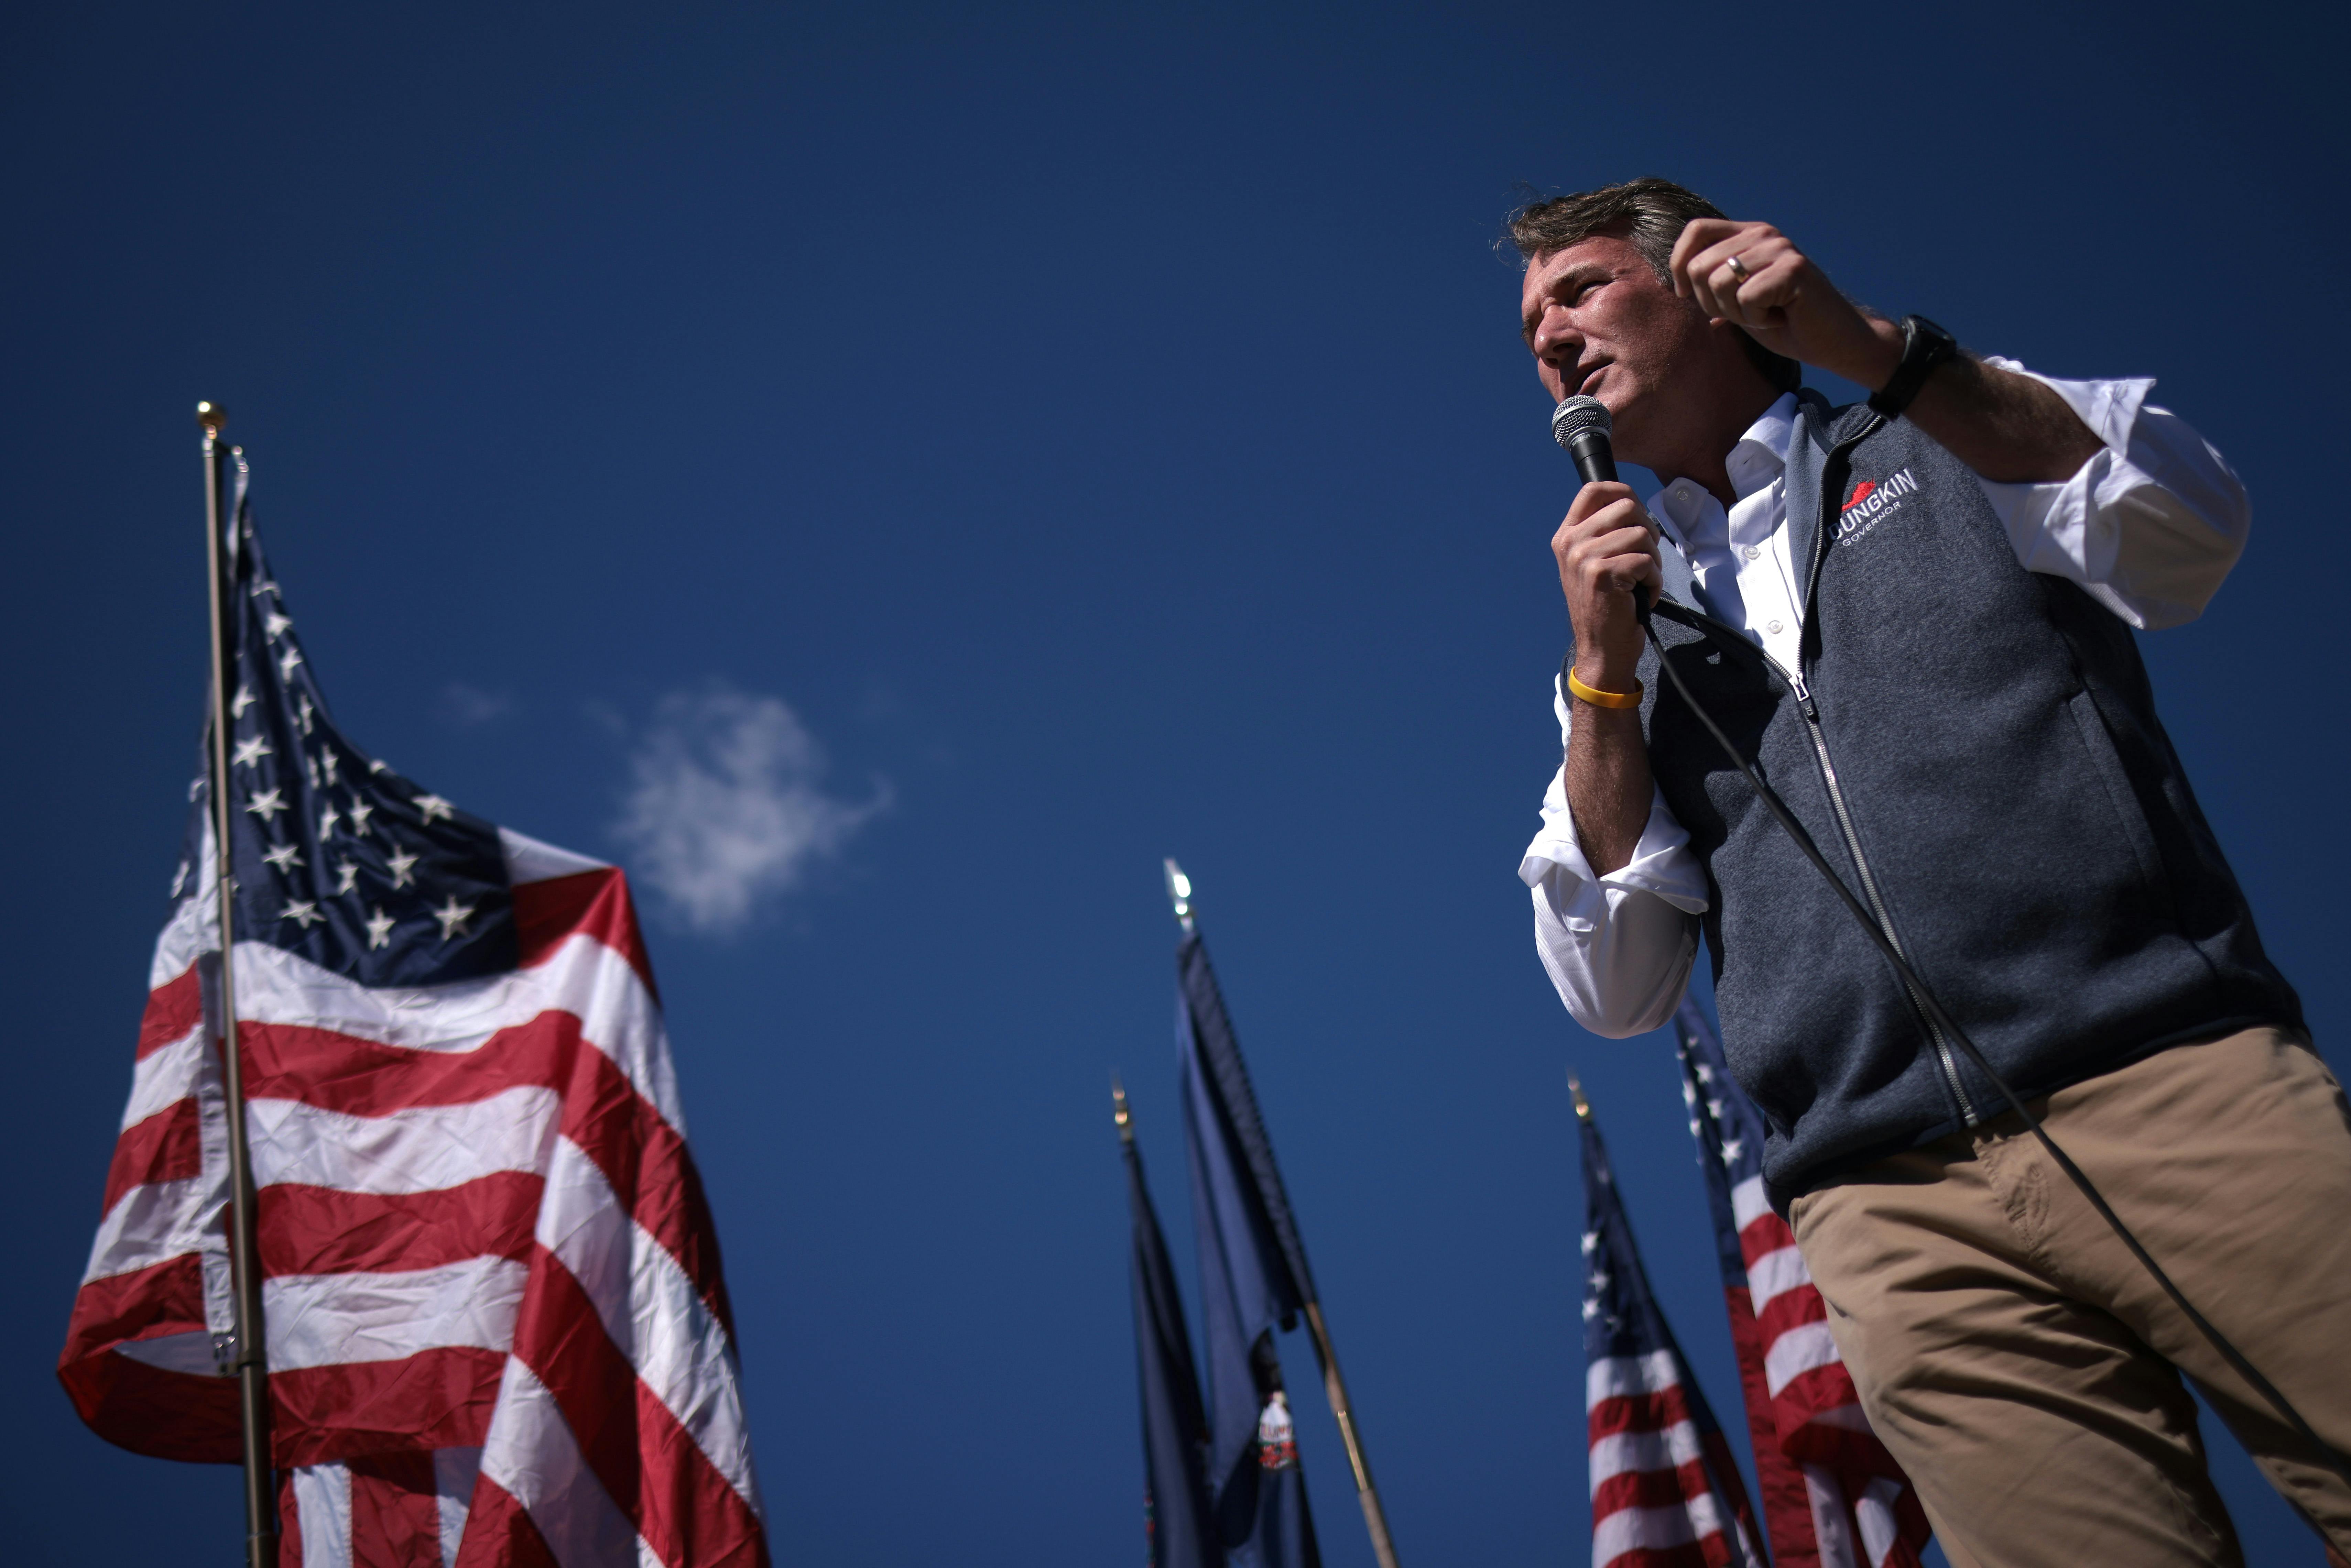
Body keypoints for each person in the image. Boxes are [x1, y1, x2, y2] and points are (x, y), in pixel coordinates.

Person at [1510, 177, 2351, 1566]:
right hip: (1893, 1216)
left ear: (1707, 277)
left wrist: (1877, 346)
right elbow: (1614, 983)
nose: (1548, 336)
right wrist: (1601, 680)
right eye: (1531, 320)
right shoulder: (1618, 634)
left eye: (1582, 289)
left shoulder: (1936, 428)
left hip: (2172, 1085)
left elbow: (2188, 519)